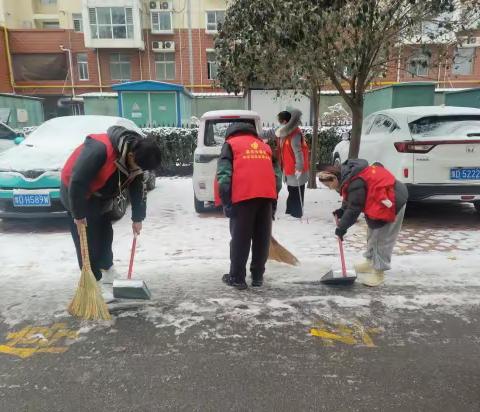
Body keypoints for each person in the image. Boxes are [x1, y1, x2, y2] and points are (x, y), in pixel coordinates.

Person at [61, 125, 162, 297]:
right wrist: (78, 214)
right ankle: (94, 284)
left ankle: (107, 270)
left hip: (100, 195)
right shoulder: (100, 150)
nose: (140, 171)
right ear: (130, 155)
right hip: (77, 192)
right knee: (88, 239)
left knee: (105, 233)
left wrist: (138, 217)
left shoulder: (135, 155)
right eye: (139, 167)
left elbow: (137, 185)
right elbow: (77, 181)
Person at [318, 160, 408, 287]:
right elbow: (351, 197)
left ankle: (379, 272)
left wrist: (342, 228)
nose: (330, 188)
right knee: (372, 233)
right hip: (380, 201)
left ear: (333, 179)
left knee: (382, 238)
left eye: (328, 185)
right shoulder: (348, 177)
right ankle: (370, 261)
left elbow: (355, 207)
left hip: (392, 201)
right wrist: (342, 210)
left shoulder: (354, 181)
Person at [216, 122, 282, 290]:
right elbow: (277, 178)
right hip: (266, 196)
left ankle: (237, 278)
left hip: (243, 197)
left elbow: (223, 176)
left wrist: (227, 202)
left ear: (230, 134)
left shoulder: (230, 145)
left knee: (240, 239)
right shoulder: (264, 147)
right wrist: (273, 201)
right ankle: (258, 276)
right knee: (262, 238)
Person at [276, 110, 309, 218]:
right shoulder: (286, 132)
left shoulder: (295, 134)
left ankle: (296, 214)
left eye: (280, 121)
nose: (279, 124)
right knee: (292, 191)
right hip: (289, 168)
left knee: (296, 192)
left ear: (285, 122)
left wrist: (299, 168)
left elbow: (298, 153)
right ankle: (290, 212)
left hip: (296, 169)